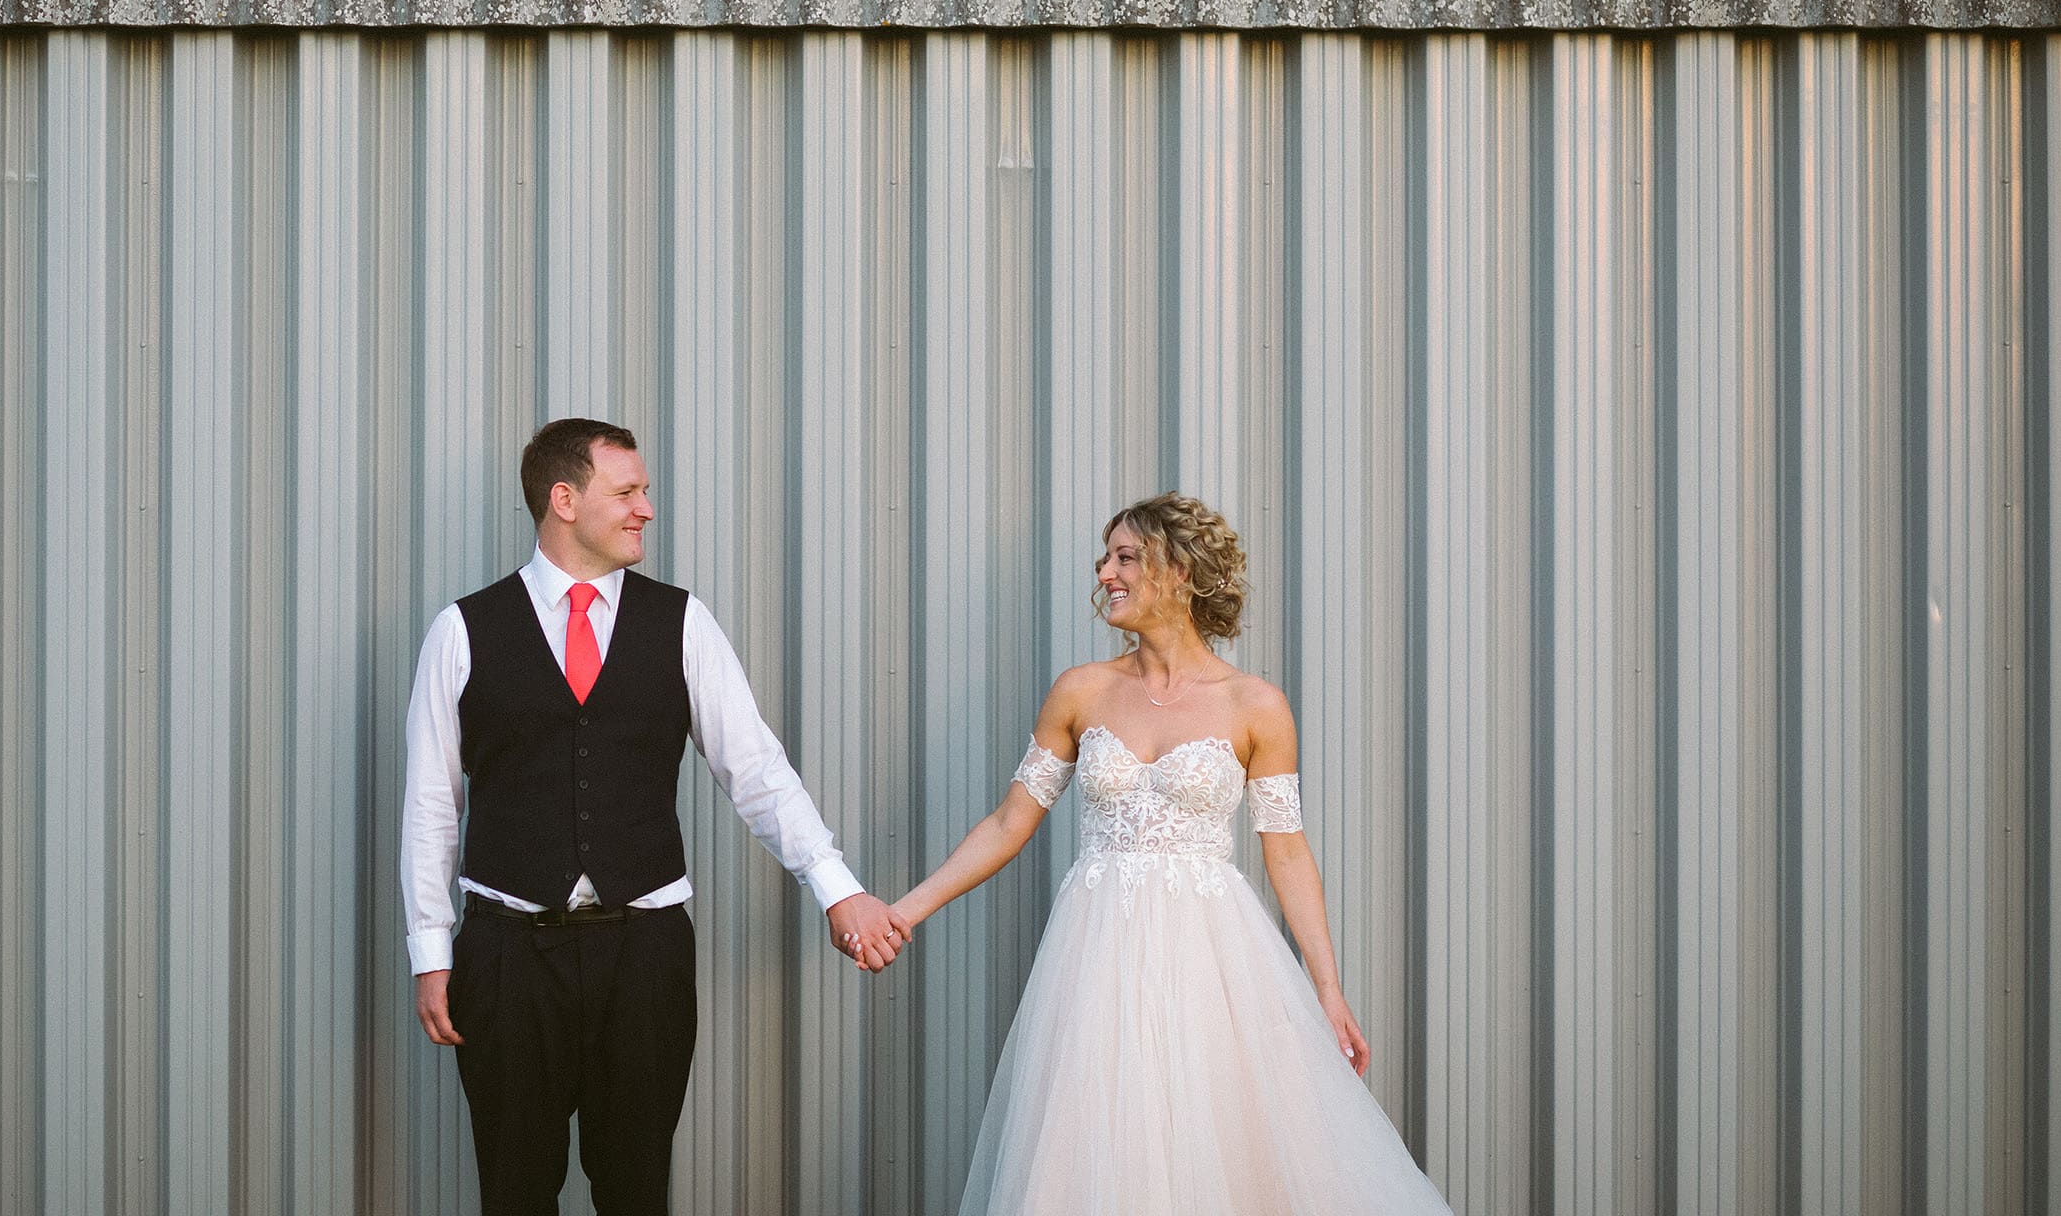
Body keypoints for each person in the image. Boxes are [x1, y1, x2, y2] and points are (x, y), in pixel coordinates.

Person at [401, 418, 907, 1216]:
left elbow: (757, 771)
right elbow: (432, 802)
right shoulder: (463, 629)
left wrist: (837, 887)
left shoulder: (681, 622)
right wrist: (432, 950)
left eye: (644, 491)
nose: (647, 509)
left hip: (644, 954)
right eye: (627, 491)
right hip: (506, 956)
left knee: (636, 1189)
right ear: (564, 500)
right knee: (513, 1190)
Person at [892, 493, 1451, 1214]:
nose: (1106, 574)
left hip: (1212, 962)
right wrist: (902, 911)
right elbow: (1009, 823)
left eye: (1126, 557)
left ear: (1181, 571)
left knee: (1221, 1140)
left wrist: (1327, 987)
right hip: (1095, 961)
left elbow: (1286, 853)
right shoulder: (1081, 690)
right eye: (1106, 557)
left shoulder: (1255, 704)